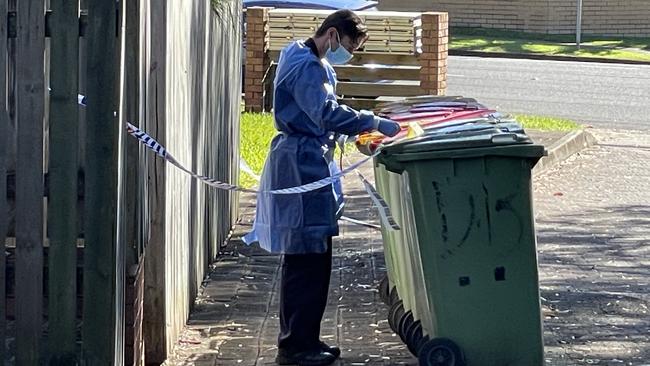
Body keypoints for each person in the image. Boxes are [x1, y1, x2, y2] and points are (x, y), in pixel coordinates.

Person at [243, 9, 401, 366]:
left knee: (310, 257)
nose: (348, 54)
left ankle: (303, 339)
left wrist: (356, 127)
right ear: (331, 34)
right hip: (302, 164)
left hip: (307, 159)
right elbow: (324, 113)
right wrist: (373, 120)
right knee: (308, 258)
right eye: (347, 45)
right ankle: (297, 346)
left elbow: (323, 112)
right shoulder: (308, 67)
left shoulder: (300, 55)